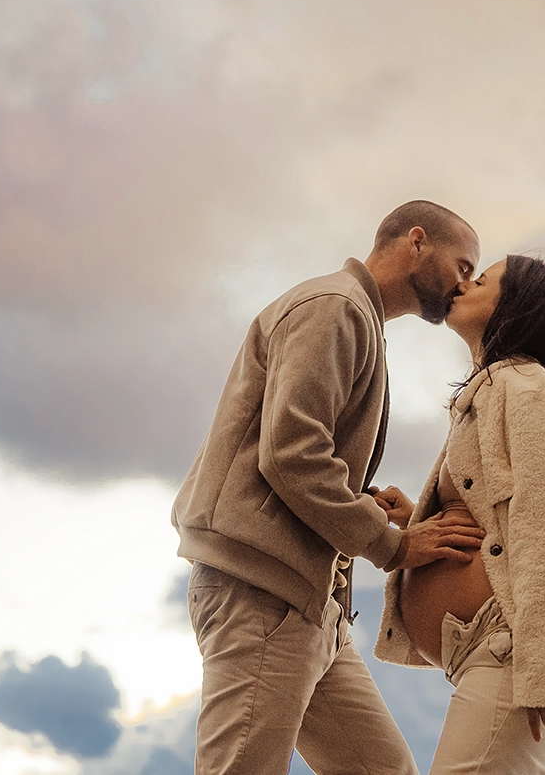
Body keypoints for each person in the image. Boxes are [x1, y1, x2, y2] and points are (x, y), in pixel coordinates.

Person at [171, 200, 488, 775]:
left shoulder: (352, 316)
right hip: (264, 592)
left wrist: (358, 502)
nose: (465, 285)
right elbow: (292, 455)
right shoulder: (336, 308)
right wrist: (394, 546)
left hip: (314, 605)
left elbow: (296, 454)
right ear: (416, 241)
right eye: (463, 266)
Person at [373, 255, 545, 775]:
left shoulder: (525, 387)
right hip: (516, 650)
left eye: (483, 280)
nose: (463, 285)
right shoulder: (500, 389)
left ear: (514, 306)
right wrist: (418, 520)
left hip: (525, 651)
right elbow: (502, 518)